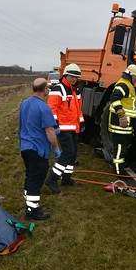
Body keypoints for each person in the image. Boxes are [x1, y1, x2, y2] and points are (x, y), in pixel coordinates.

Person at [19, 78, 61, 220]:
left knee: (30, 175)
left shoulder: (24, 103)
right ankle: (32, 211)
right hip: (38, 149)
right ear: (44, 89)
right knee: (36, 180)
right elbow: (49, 130)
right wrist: (56, 148)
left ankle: (28, 199)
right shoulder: (44, 107)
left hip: (25, 146)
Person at [44, 63, 84, 193]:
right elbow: (52, 108)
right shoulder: (58, 88)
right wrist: (55, 125)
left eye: (76, 77)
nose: (73, 79)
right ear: (65, 75)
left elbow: (78, 109)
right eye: (71, 76)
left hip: (74, 127)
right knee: (67, 153)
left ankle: (66, 179)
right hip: (63, 128)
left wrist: (81, 122)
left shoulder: (75, 90)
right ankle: (52, 179)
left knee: (72, 154)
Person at [107, 64, 136, 175]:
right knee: (119, 147)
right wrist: (121, 114)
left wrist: (135, 113)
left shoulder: (128, 85)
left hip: (125, 124)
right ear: (130, 75)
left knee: (123, 146)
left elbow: (127, 103)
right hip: (119, 123)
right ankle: (118, 170)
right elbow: (114, 98)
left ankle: (120, 167)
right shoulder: (123, 85)